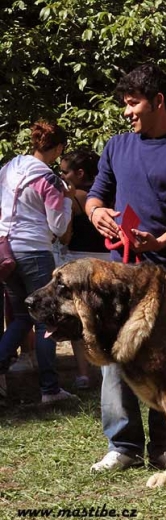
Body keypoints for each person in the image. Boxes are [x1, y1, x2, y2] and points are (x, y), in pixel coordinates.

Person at [85, 63, 166, 472]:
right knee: (114, 358)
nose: (127, 112)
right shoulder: (116, 146)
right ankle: (122, 445)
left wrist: (161, 241)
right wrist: (96, 212)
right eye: (124, 104)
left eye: (133, 103)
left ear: (159, 101)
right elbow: (96, 195)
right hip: (119, 277)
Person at [0, 120, 75, 404]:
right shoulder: (50, 180)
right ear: (57, 148)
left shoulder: (9, 167)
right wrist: (67, 199)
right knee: (46, 320)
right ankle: (50, 389)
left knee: (20, 317)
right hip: (34, 251)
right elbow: (58, 227)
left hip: (6, 250)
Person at [58, 149, 110, 389]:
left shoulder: (76, 197)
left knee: (80, 317)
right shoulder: (110, 193)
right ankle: (110, 370)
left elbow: (66, 235)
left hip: (79, 261)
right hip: (109, 260)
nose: (62, 176)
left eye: (65, 171)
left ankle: (83, 373)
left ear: (79, 173)